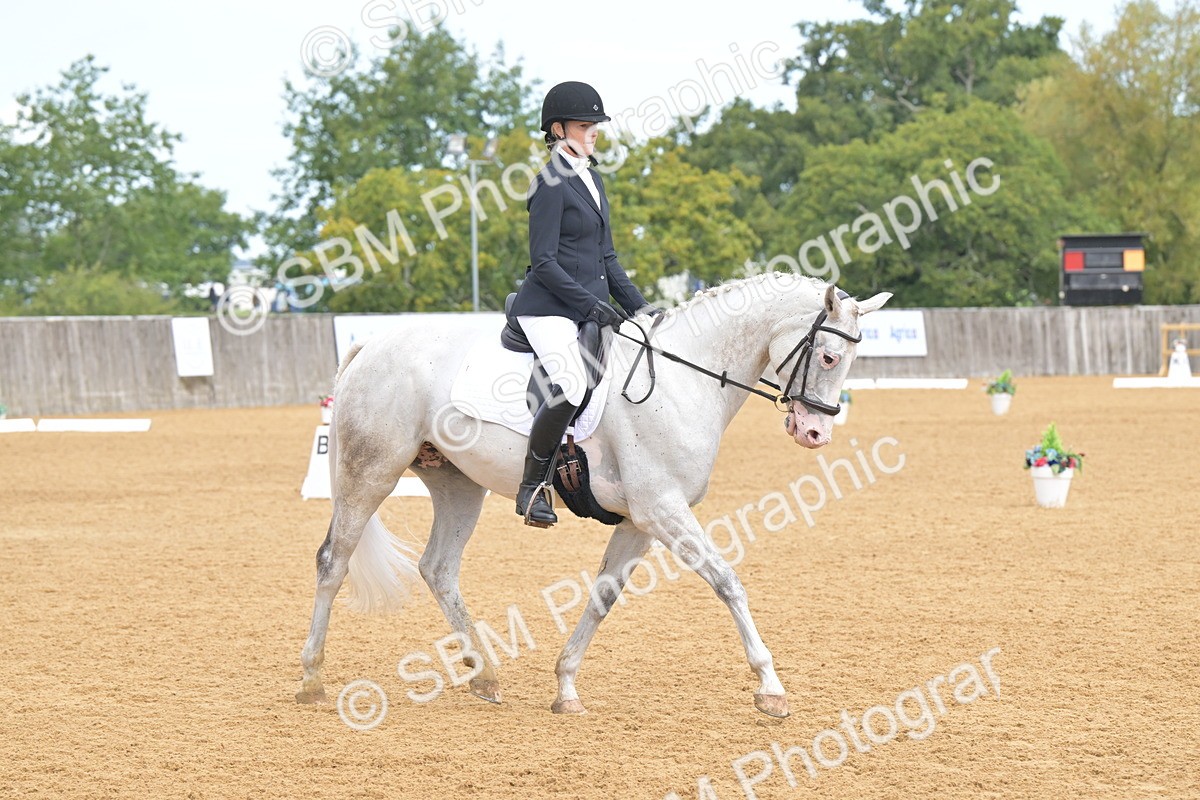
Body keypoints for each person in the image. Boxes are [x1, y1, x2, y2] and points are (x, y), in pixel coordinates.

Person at [510, 80, 661, 527]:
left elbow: (606, 257)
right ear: (558, 130)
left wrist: (642, 309)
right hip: (547, 307)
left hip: (583, 307)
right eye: (583, 125)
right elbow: (544, 262)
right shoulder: (549, 183)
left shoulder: (592, 179)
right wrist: (591, 306)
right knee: (573, 385)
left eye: (595, 124)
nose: (593, 131)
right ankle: (532, 487)